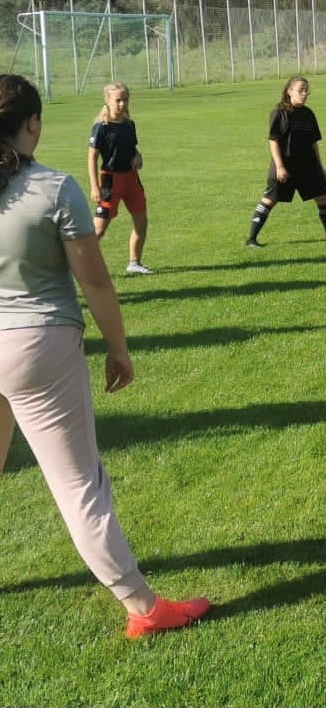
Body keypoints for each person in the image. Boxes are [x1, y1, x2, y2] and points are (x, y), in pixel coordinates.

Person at [0, 73, 210, 637]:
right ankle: (143, 607)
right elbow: (94, 283)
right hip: (37, 345)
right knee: (79, 484)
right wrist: (119, 350)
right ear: (34, 124)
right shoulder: (52, 187)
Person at [246, 76, 326, 247]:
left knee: (323, 197)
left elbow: (314, 143)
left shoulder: (308, 114)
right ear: (289, 91)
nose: (304, 94)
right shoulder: (279, 112)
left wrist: (320, 166)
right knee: (269, 200)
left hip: (308, 165)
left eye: (307, 91)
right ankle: (251, 239)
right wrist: (280, 167)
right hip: (285, 165)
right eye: (300, 90)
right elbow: (273, 140)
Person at [86, 82, 153, 275]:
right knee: (98, 229)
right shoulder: (101, 127)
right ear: (107, 100)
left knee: (141, 223)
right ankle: (79, 265)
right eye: (118, 100)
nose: (122, 104)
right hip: (110, 181)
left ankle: (134, 263)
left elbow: (132, 149)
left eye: (125, 99)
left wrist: (139, 156)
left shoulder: (129, 124)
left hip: (132, 180)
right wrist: (94, 186)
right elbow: (92, 157)